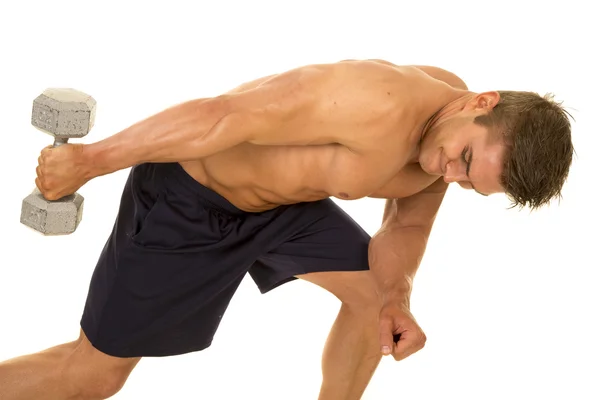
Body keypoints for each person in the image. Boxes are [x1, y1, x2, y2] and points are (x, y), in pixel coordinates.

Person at [0, 59, 573, 400]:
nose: (451, 175)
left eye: (470, 183)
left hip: (283, 212)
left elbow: (409, 221)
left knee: (376, 301)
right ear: (482, 102)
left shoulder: (445, 137)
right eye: (464, 161)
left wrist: (398, 298)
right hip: (193, 200)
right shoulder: (372, 100)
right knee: (93, 377)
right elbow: (222, 114)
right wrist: (93, 160)